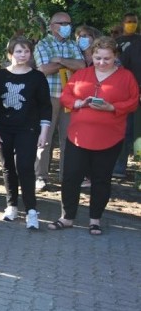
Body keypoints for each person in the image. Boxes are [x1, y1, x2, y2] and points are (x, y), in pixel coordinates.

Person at [49, 37, 139, 234]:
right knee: (71, 177)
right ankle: (67, 217)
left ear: (115, 56)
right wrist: (77, 103)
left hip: (109, 138)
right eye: (98, 58)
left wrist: (113, 107)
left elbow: (133, 102)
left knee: (101, 179)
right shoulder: (81, 74)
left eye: (107, 58)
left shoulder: (126, 77)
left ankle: (95, 220)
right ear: (92, 55)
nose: (101, 62)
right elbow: (66, 95)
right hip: (78, 137)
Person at [0, 37, 52, 229]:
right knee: (8, 168)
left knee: (25, 167)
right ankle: (12, 205)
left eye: (26, 51)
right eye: (18, 51)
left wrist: (44, 133)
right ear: (10, 54)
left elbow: (45, 107)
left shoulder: (37, 77)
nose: (23, 55)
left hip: (28, 129)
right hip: (3, 129)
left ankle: (31, 210)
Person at [33, 12, 85, 191]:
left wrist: (60, 61)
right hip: (48, 97)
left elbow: (82, 66)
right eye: (63, 23)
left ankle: (66, 176)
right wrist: (69, 63)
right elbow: (44, 69)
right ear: (52, 25)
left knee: (68, 139)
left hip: (70, 97)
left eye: (69, 23)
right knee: (44, 138)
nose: (67, 26)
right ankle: (40, 177)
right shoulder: (43, 44)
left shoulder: (72, 44)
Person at [114, 13, 140, 179]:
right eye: (128, 22)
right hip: (123, 92)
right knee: (124, 129)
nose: (131, 24)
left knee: (137, 132)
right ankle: (119, 166)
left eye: (134, 22)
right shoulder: (116, 44)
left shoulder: (139, 41)